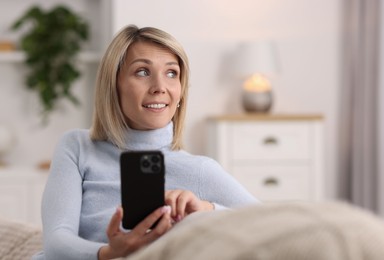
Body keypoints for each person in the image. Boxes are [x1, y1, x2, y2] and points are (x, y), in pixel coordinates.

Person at [33, 25, 258, 260]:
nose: (160, 87)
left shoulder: (201, 170)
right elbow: (56, 243)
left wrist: (206, 209)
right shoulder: (77, 146)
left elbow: (276, 224)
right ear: (113, 84)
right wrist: (109, 253)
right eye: (142, 71)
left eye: (172, 73)